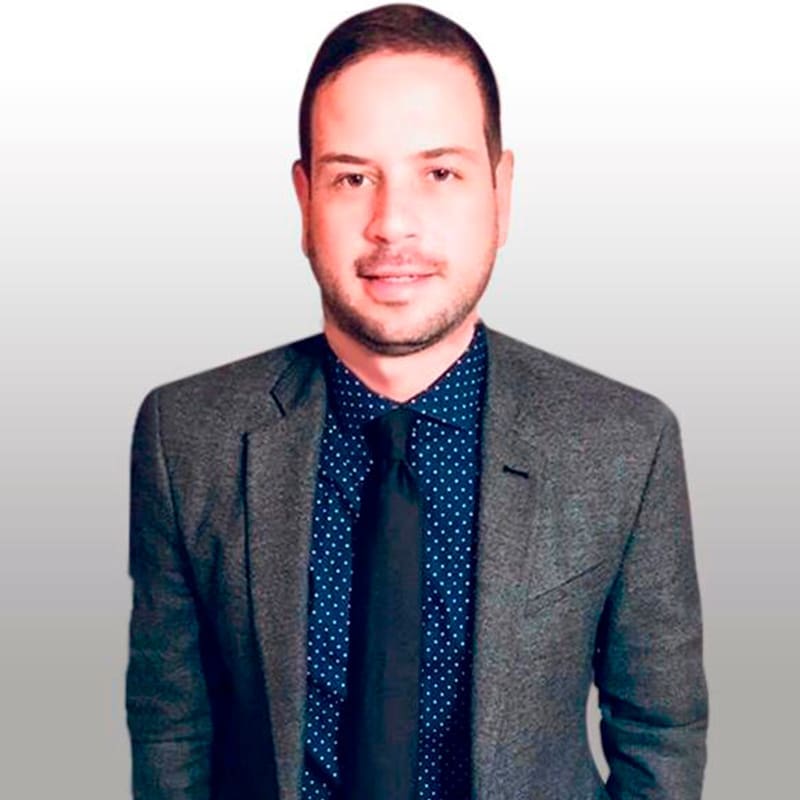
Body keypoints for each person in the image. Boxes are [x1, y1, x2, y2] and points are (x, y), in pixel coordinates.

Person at [125, 4, 708, 799]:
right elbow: (170, 729)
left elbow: (661, 733)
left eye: (440, 174)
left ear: (501, 192)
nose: (392, 223)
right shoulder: (187, 436)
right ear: (304, 200)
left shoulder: (624, 443)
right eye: (352, 177)